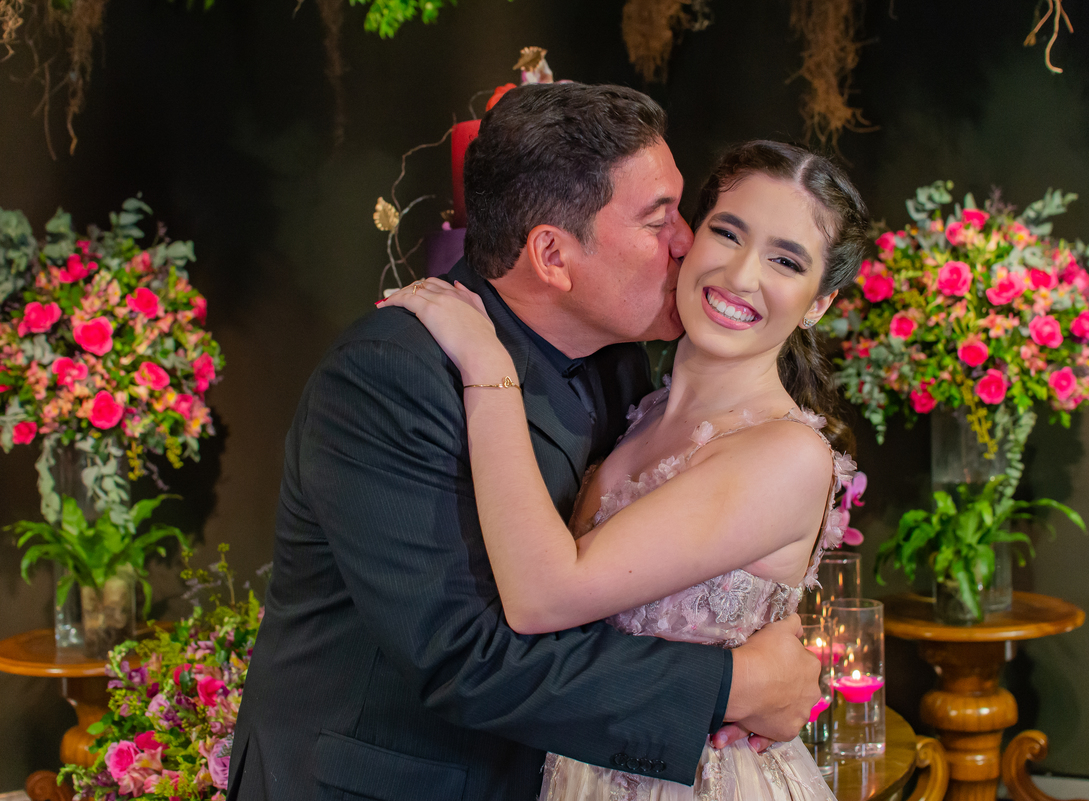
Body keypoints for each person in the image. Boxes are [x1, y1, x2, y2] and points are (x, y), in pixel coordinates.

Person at [228, 83, 823, 801]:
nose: (686, 242)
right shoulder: (392, 377)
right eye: (658, 219)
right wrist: (735, 684)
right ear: (552, 255)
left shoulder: (619, 359)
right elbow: (466, 657)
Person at [379, 138, 870, 798]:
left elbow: (544, 596)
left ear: (818, 302)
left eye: (785, 260)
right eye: (728, 233)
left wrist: (488, 366)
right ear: (688, 238)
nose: (740, 274)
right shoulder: (638, 404)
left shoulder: (787, 455)